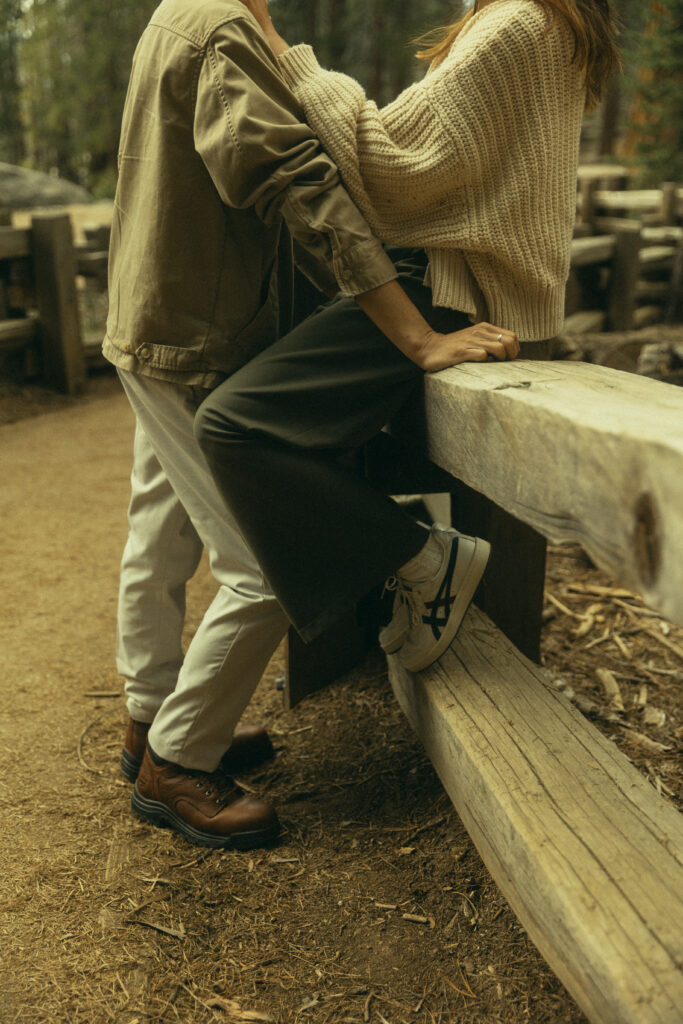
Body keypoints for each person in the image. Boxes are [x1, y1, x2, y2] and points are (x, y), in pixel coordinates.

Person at [105, 0, 513, 851]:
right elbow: (294, 181)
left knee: (161, 535)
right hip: (198, 335)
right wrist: (415, 333)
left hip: (152, 319)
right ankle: (175, 761)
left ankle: (153, 719)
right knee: (259, 562)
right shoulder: (221, 29)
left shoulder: (177, 13)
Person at [194, 0, 620, 665]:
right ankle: (393, 585)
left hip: (446, 290)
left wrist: (283, 52)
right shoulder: (547, 24)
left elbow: (390, 172)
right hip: (467, 288)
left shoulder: (516, 25)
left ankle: (423, 559)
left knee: (234, 425)